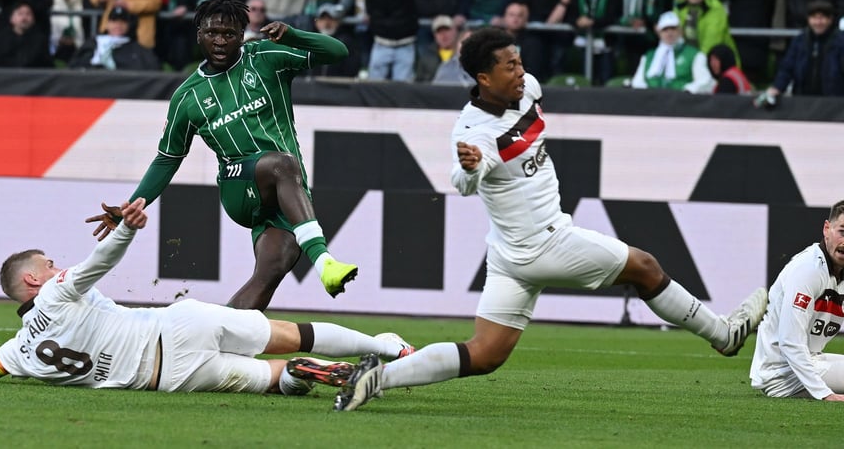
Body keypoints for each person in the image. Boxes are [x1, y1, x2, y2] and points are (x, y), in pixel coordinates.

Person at [323, 26, 769, 412]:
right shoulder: (475, 132)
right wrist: (471, 166)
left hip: (509, 255)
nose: (521, 72)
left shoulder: (529, 88)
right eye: (510, 66)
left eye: (519, 62)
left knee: (485, 354)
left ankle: (376, 378)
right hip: (545, 243)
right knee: (645, 267)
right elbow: (464, 181)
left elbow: (522, 105)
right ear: (484, 79)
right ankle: (724, 335)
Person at [0, 198, 414, 394]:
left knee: (274, 378)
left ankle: (307, 375)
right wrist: (126, 230)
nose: (57, 267)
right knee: (289, 333)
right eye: (48, 265)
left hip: (168, 378)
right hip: (175, 328)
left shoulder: (16, 353)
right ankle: (385, 346)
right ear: (34, 281)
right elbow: (98, 263)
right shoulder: (57, 294)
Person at [86, 0, 358, 311]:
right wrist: (135, 203)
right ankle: (324, 262)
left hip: (285, 191)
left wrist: (293, 35)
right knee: (282, 164)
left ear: (242, 36)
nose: (219, 40)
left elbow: (338, 52)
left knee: (269, 273)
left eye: (229, 34)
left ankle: (216, 335)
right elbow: (168, 158)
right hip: (239, 187)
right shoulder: (188, 97)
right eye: (211, 32)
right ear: (198, 34)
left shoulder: (266, 57)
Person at [750, 200, 844, 400]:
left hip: (810, 362)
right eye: (842, 232)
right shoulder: (809, 269)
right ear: (826, 229)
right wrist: (825, 394)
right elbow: (790, 342)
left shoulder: (839, 273)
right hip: (780, 375)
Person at [759, 0, 844, 101]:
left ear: (830, 19)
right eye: (814, 18)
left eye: (822, 18)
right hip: (802, 99)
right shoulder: (800, 40)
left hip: (833, 101)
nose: (818, 22)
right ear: (808, 19)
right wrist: (777, 87)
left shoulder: (840, 41)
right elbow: (787, 68)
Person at [631, 11, 716, 93]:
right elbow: (637, 82)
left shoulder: (695, 55)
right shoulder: (648, 56)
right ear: (659, 32)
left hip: (681, 100)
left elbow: (705, 81)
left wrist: (687, 91)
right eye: (665, 29)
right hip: (651, 100)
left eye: (673, 28)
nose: (669, 33)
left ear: (680, 30)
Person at [0, 2, 52, 68]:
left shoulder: (40, 41)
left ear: (33, 19)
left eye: (28, 14)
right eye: (20, 14)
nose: (24, 18)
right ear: (11, 18)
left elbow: (46, 65)